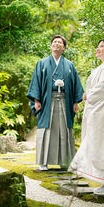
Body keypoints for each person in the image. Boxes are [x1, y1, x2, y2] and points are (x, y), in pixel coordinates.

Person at [69, 39, 104, 194]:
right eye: (98, 46)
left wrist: (89, 95)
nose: (98, 48)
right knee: (101, 145)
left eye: (102, 46)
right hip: (101, 111)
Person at [27, 35, 84, 171]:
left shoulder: (69, 65)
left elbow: (76, 85)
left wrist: (76, 102)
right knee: (47, 130)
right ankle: (43, 162)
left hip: (65, 100)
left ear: (64, 47)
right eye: (54, 42)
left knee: (64, 129)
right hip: (47, 101)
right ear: (51, 45)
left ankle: (64, 162)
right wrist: (36, 100)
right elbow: (36, 82)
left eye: (60, 42)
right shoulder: (42, 63)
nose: (57, 44)